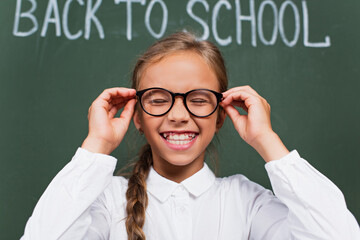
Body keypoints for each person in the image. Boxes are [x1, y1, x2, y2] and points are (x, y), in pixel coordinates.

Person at [21, 32, 359, 240]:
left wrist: (267, 140)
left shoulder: (246, 203)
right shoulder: (107, 201)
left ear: (221, 114)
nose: (179, 115)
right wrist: (96, 146)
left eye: (198, 100)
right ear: (136, 116)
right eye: (158, 99)